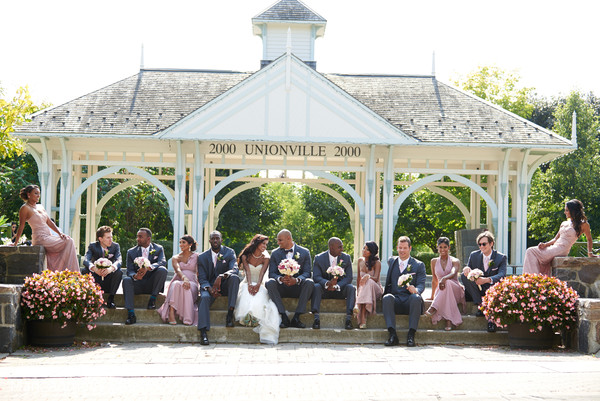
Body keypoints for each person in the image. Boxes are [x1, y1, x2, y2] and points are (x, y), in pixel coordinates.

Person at [11, 185, 79, 272]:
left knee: (68, 239)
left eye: (39, 194)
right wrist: (15, 243)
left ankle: (66, 273)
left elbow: (49, 222)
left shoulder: (40, 206)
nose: (38, 196)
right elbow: (21, 226)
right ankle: (72, 273)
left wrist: (60, 233)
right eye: (35, 193)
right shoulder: (25, 208)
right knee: (69, 241)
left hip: (49, 236)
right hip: (40, 238)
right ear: (28, 195)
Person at [523, 199, 597, 276]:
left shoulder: (583, 224)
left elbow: (589, 239)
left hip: (562, 250)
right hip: (554, 247)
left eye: (567, 210)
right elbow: (555, 239)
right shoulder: (564, 223)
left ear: (573, 211)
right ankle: (534, 278)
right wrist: (545, 245)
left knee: (531, 251)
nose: (565, 212)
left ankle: (532, 279)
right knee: (531, 251)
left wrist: (590, 253)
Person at [234, 234, 280, 344]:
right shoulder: (246, 256)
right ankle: (245, 318)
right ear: (257, 243)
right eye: (263, 244)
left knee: (259, 295)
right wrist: (250, 285)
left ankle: (255, 318)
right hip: (247, 282)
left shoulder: (266, 258)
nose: (265, 246)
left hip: (260, 283)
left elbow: (262, 273)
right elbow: (248, 272)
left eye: (266, 244)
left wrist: (258, 285)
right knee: (246, 293)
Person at [197, 231, 240, 346]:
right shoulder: (202, 257)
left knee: (235, 278)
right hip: (209, 286)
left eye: (217, 238)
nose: (215, 240)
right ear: (209, 241)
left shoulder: (229, 252)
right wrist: (210, 289)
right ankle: (203, 333)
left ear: (221, 240)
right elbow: (202, 278)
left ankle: (230, 315)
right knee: (204, 298)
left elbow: (234, 269)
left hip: (225, 284)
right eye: (213, 239)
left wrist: (222, 276)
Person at [265, 229, 314, 329]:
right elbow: (272, 273)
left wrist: (296, 280)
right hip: (282, 287)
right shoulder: (275, 253)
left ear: (288, 238)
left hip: (297, 287)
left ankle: (297, 317)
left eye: (280, 240)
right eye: (277, 241)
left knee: (309, 282)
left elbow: (307, 273)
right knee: (269, 282)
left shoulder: (304, 252)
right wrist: (281, 279)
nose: (278, 243)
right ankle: (283, 316)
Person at [382, 236, 426, 347]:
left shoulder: (418, 265)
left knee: (416, 297)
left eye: (405, 248)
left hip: (409, 301)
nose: (402, 250)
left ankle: (411, 335)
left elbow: (421, 284)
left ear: (410, 248)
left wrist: (416, 290)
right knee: (387, 297)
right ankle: (392, 335)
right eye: (400, 248)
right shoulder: (392, 261)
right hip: (396, 299)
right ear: (397, 248)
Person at [461, 231, 507, 333]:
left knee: (494, 294)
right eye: (480, 244)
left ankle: (491, 321)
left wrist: (486, 280)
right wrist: (467, 269)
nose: (481, 246)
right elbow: (469, 267)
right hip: (477, 289)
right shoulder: (474, 255)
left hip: (492, 287)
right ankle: (480, 304)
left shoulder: (501, 257)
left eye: (484, 244)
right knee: (463, 276)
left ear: (491, 244)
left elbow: (502, 275)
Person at [122, 228, 168, 325]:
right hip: (138, 284)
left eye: (140, 237)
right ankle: (131, 314)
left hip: (152, 284)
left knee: (162, 270)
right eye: (137, 236)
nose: (137, 239)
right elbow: (129, 270)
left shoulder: (158, 249)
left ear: (148, 239)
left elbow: (162, 262)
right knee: (126, 280)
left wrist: (149, 267)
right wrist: (135, 276)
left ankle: (152, 299)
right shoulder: (131, 252)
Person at [311, 237, 355, 330]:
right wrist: (327, 283)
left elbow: (349, 277)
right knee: (316, 286)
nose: (342, 249)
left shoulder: (346, 258)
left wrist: (337, 285)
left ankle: (348, 319)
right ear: (331, 247)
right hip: (325, 290)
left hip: (340, 290)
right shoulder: (319, 258)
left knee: (351, 288)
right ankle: (316, 318)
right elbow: (316, 277)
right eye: (339, 247)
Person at [424, 237, 465, 331]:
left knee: (449, 282)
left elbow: (454, 272)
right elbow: (434, 279)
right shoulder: (434, 261)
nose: (442, 249)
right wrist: (432, 296)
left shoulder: (455, 261)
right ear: (437, 248)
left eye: (445, 247)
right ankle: (448, 320)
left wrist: (444, 278)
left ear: (449, 247)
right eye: (440, 247)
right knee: (445, 287)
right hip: (442, 290)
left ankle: (433, 307)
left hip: (456, 289)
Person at [157, 235, 199, 326]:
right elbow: (178, 270)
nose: (181, 245)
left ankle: (187, 317)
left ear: (190, 244)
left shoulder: (197, 257)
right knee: (176, 284)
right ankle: (171, 312)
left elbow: (199, 273)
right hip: (179, 279)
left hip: (192, 282)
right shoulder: (175, 257)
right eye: (180, 243)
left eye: (183, 242)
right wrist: (184, 278)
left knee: (187, 287)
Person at [82, 226, 124, 309]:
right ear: (100, 239)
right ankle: (92, 298)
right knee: (84, 270)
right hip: (97, 278)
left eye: (111, 237)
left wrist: (111, 268)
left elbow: (119, 260)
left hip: (109, 279)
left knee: (119, 272)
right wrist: (94, 269)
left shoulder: (115, 246)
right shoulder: (93, 246)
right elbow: (86, 260)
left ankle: (111, 299)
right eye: (108, 237)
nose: (111, 240)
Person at [355, 241, 383, 329]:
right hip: (364, 290)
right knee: (364, 289)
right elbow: (358, 279)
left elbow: (375, 278)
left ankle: (357, 307)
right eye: (364, 248)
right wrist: (358, 291)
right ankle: (363, 321)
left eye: (367, 249)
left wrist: (367, 276)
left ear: (372, 252)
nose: (364, 250)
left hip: (375, 289)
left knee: (369, 282)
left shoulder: (377, 263)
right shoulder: (360, 261)